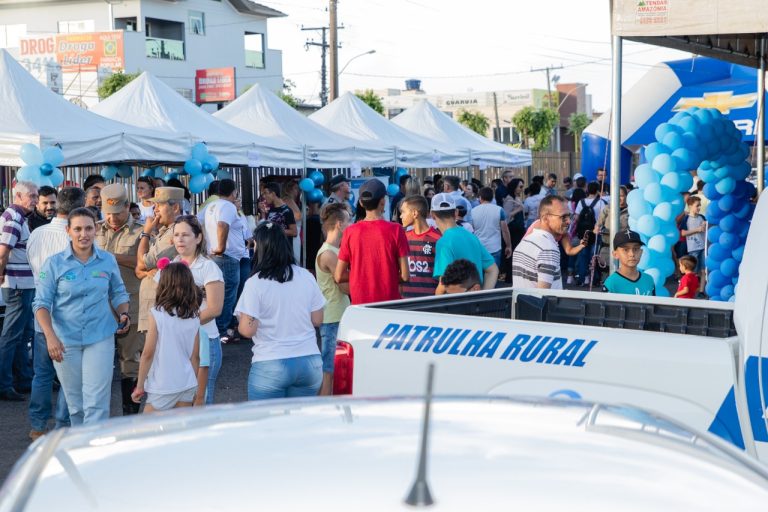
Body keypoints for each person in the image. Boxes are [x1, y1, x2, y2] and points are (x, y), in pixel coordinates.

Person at [34, 207, 130, 425]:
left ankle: (95, 452)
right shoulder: (54, 263)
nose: (83, 234)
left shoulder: (107, 260)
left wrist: (124, 313)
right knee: (75, 405)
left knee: (97, 403)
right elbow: (40, 304)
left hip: (100, 337)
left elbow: (118, 292)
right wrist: (50, 337)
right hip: (64, 342)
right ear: (68, 231)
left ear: (96, 229)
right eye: (77, 229)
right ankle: (80, 449)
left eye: (88, 228)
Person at [236, 223, 326, 400]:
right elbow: (317, 319)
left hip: (270, 363)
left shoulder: (255, 283)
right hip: (309, 362)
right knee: (301, 424)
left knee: (268, 425)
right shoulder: (306, 276)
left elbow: (247, 330)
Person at [27, 188, 84, 440]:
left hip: (41, 312)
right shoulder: (74, 237)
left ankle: (38, 426)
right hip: (67, 315)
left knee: (42, 374)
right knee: (69, 377)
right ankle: (63, 426)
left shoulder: (37, 233)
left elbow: (32, 265)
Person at [95, 184, 145, 415]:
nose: (112, 218)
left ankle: (130, 416)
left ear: (128, 206)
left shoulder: (142, 232)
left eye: (117, 213)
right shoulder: (94, 231)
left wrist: (110, 257)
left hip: (131, 306)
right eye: (108, 213)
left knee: (130, 363)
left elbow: (145, 263)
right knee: (98, 365)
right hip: (97, 308)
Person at [132, 262, 202, 412]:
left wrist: (139, 386)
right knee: (179, 432)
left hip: (162, 385)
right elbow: (195, 357)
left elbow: (148, 353)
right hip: (187, 383)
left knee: (146, 431)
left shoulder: (157, 314)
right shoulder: (194, 316)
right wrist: (194, 383)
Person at [169, 215, 224, 404]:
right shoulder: (170, 266)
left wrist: (183, 324)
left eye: (185, 234)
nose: (180, 239)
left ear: (198, 237)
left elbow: (215, 308)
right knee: (181, 402)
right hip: (177, 343)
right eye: (176, 235)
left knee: (201, 402)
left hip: (205, 340)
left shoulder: (208, 267)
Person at [335, 179, 409, 305]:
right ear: (382, 202)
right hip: (389, 304)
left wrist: (363, 275)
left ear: (361, 203)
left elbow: (338, 276)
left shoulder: (350, 232)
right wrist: (384, 276)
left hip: (361, 306)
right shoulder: (396, 230)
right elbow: (405, 276)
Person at [0, 181, 38, 402]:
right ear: (19, 196)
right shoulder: (14, 218)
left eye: (35, 196)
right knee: (12, 336)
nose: (34, 199)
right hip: (17, 285)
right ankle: (5, 384)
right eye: (31, 196)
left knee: (23, 334)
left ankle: (22, 379)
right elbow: (3, 251)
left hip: (23, 284)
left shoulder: (17, 217)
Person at [136, 187, 182, 351]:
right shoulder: (164, 231)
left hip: (161, 304)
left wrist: (146, 233)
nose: (155, 210)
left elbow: (143, 263)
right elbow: (139, 271)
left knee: (157, 355)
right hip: (155, 302)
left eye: (159, 205)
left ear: (175, 207)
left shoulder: (176, 232)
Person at [315, 203, 351, 395]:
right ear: (339, 224)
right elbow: (346, 287)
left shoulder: (334, 251)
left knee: (336, 370)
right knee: (329, 371)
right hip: (332, 318)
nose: (351, 224)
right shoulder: (328, 253)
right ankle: (322, 411)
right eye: (348, 220)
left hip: (338, 315)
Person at [431, 193, 498, 293]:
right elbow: (493, 269)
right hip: (476, 304)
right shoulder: (471, 237)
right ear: (456, 212)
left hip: (457, 304)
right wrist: (483, 296)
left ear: (432, 214)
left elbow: (443, 284)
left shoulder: (443, 243)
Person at [203, 179, 244, 339]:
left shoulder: (211, 206)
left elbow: (198, 222)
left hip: (216, 255)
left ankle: (218, 329)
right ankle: (221, 330)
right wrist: (220, 247)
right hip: (226, 257)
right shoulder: (228, 206)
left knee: (217, 293)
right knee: (227, 294)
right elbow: (222, 225)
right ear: (234, 192)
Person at [512, 195, 569, 289]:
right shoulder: (548, 249)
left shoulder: (525, 241)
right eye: (563, 217)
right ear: (545, 218)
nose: (568, 221)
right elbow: (542, 296)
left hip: (521, 302)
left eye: (569, 216)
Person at [399, 195, 442, 297]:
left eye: (403, 212)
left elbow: (443, 277)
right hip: (406, 302)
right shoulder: (403, 237)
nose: (401, 216)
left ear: (414, 213)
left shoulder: (438, 239)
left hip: (429, 303)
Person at [602, 230, 656, 296]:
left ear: (641, 252)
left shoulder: (648, 280)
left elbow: (653, 305)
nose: (632, 254)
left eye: (636, 249)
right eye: (625, 249)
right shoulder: (611, 283)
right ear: (615, 254)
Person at [472, 187, 513, 269]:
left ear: (480, 198)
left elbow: (471, 230)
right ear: (492, 197)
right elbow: (505, 230)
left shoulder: (473, 211)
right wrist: (508, 245)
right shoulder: (499, 210)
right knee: (493, 276)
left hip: (478, 247)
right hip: (494, 247)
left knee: (479, 276)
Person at [680, 195, 707, 292]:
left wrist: (705, 225)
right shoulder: (686, 219)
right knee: (693, 271)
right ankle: (690, 291)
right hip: (693, 248)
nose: (699, 207)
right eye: (697, 205)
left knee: (703, 270)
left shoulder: (702, 217)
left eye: (700, 205)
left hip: (703, 247)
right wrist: (697, 229)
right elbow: (683, 233)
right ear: (690, 206)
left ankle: (701, 291)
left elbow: (706, 229)